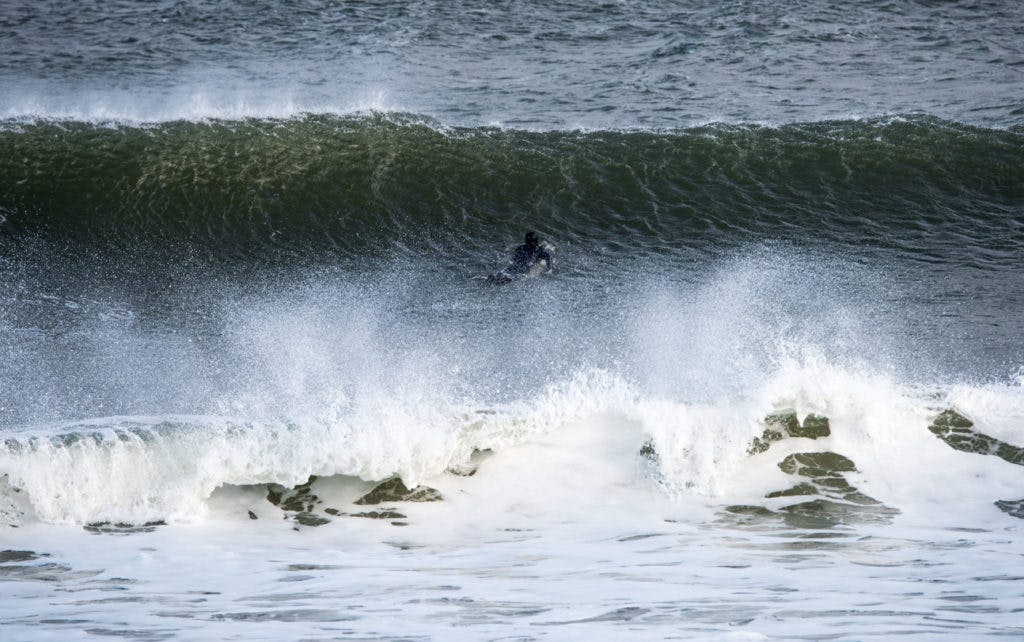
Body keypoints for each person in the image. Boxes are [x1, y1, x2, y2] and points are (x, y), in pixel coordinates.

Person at [487, 231, 554, 284]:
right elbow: (548, 257)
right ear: (536, 241)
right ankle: (503, 279)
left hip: (513, 266)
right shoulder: (538, 250)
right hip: (522, 270)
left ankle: (495, 277)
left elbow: (515, 258)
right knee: (515, 277)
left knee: (504, 272)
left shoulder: (520, 247)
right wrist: (550, 268)